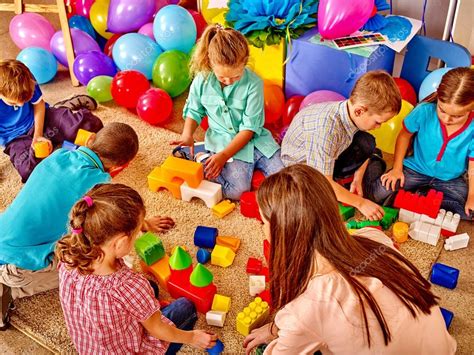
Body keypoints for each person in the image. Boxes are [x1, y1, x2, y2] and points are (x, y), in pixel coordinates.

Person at [243, 164, 456, 354]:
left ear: (282, 232)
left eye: (263, 221)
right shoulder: (375, 237)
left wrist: (285, 331)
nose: (261, 228)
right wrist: (278, 328)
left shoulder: (307, 307)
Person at [0, 122, 174, 329]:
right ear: (120, 167)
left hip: (4, 233)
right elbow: (110, 224)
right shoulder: (100, 186)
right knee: (91, 266)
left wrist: (145, 223)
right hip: (22, 265)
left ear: (91, 139)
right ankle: (9, 285)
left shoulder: (58, 155)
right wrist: (142, 224)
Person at [55, 183, 216, 354]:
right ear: (121, 242)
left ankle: (146, 310)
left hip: (90, 346)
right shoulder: (130, 286)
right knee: (186, 307)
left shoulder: (69, 258)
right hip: (132, 349)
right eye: (138, 231)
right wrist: (193, 338)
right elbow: (157, 329)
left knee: (151, 288)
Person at [171, 24, 284, 200]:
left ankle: (210, 157)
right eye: (222, 77)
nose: (229, 81)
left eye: (236, 76)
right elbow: (194, 109)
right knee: (236, 192)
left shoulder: (254, 83)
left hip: (257, 141)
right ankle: (201, 156)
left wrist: (223, 156)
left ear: (245, 63)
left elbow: (249, 128)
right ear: (210, 63)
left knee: (286, 178)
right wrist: (187, 135)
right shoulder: (202, 80)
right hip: (223, 143)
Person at [281, 70, 402, 220]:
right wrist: (361, 203)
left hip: (332, 150)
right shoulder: (326, 129)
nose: (379, 127)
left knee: (368, 142)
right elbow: (322, 181)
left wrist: (358, 177)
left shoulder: (352, 113)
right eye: (378, 122)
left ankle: (347, 179)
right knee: (314, 202)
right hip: (302, 166)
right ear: (359, 111)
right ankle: (341, 183)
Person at [372, 67, 474, 219]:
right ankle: (423, 197)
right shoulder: (424, 111)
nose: (446, 120)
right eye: (442, 110)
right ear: (438, 97)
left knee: (469, 213)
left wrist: (472, 195)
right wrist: (397, 168)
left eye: (457, 116)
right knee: (379, 194)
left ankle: (420, 196)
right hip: (415, 170)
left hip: (449, 179)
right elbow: (404, 136)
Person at [0, 59, 103, 182]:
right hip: (15, 138)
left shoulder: (26, 78)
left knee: (92, 125)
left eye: (26, 100)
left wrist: (37, 136)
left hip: (42, 117)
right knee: (29, 172)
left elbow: (38, 104)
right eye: (13, 102)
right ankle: (60, 143)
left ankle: (64, 107)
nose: (21, 105)